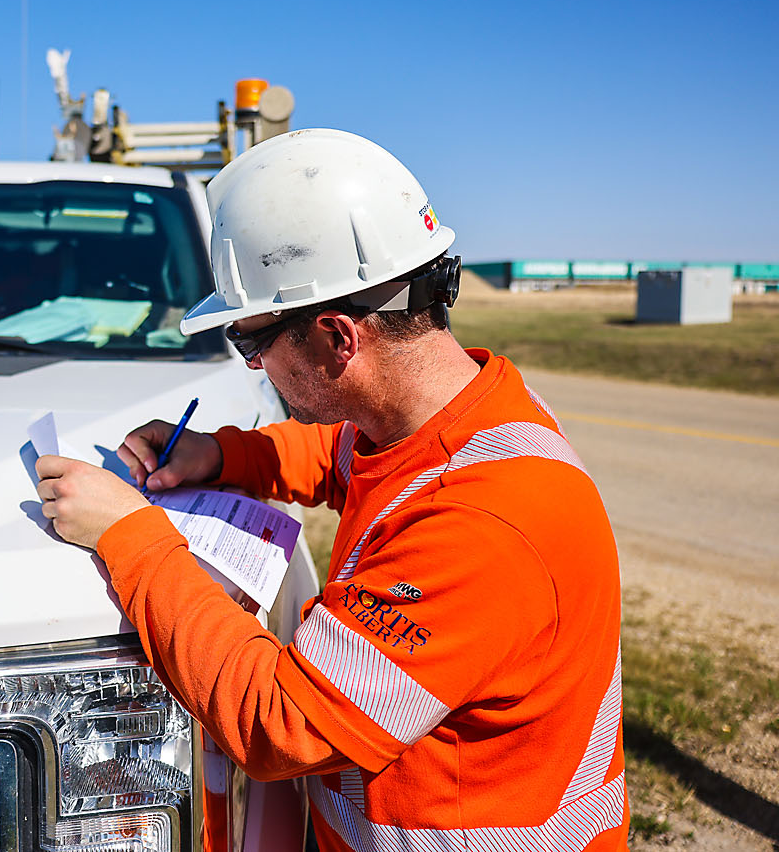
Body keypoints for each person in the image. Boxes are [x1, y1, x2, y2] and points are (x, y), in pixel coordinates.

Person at [35, 129, 626, 852]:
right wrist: (222, 453)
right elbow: (338, 456)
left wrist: (129, 533)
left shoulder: (485, 520)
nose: (254, 368)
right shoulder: (446, 417)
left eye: (253, 342)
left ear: (337, 337)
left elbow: (273, 719)